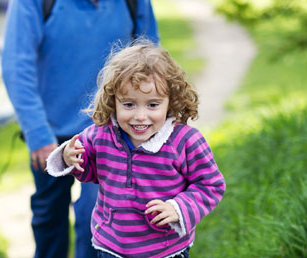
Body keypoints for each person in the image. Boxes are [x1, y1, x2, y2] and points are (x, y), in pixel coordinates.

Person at [0, 0, 160, 256]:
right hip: (51, 131)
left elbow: (151, 58)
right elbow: (16, 63)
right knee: (48, 220)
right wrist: (39, 135)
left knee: (96, 219)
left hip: (111, 131)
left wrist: (151, 122)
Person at [45, 41, 225, 258]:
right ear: (113, 101)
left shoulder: (186, 141)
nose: (140, 116)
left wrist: (179, 208)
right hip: (111, 245)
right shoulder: (101, 135)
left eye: (152, 104)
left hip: (164, 249)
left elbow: (211, 184)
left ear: (171, 102)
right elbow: (90, 171)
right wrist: (69, 158)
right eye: (129, 104)